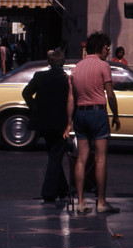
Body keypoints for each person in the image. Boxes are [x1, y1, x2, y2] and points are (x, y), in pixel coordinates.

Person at [63, 31, 121, 214]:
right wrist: (116, 115)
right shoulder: (103, 66)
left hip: (80, 113)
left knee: (81, 158)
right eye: (106, 48)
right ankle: (101, 202)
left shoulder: (76, 68)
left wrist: (69, 122)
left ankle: (81, 202)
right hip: (97, 112)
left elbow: (71, 98)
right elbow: (110, 94)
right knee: (101, 158)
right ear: (99, 47)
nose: (108, 51)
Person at [22, 48, 69, 202]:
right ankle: (49, 192)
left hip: (43, 121)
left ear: (50, 62)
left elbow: (26, 93)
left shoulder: (40, 76)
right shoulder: (67, 79)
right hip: (61, 122)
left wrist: (35, 107)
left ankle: (63, 190)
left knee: (54, 154)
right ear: (63, 62)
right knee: (56, 155)